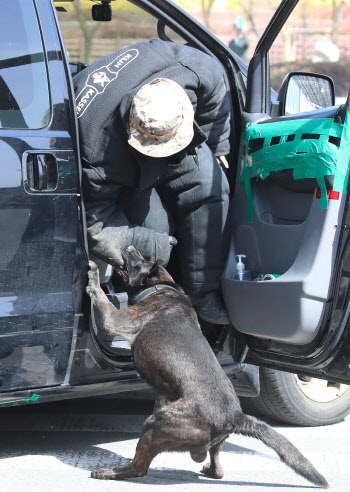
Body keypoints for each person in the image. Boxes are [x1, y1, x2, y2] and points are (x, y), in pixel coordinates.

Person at [73, 38, 231, 324]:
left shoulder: (192, 68)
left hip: (162, 135)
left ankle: (204, 293)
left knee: (211, 184)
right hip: (121, 166)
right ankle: (150, 314)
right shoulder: (93, 152)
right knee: (156, 233)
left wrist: (218, 144)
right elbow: (98, 227)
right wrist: (161, 245)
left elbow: (215, 94)